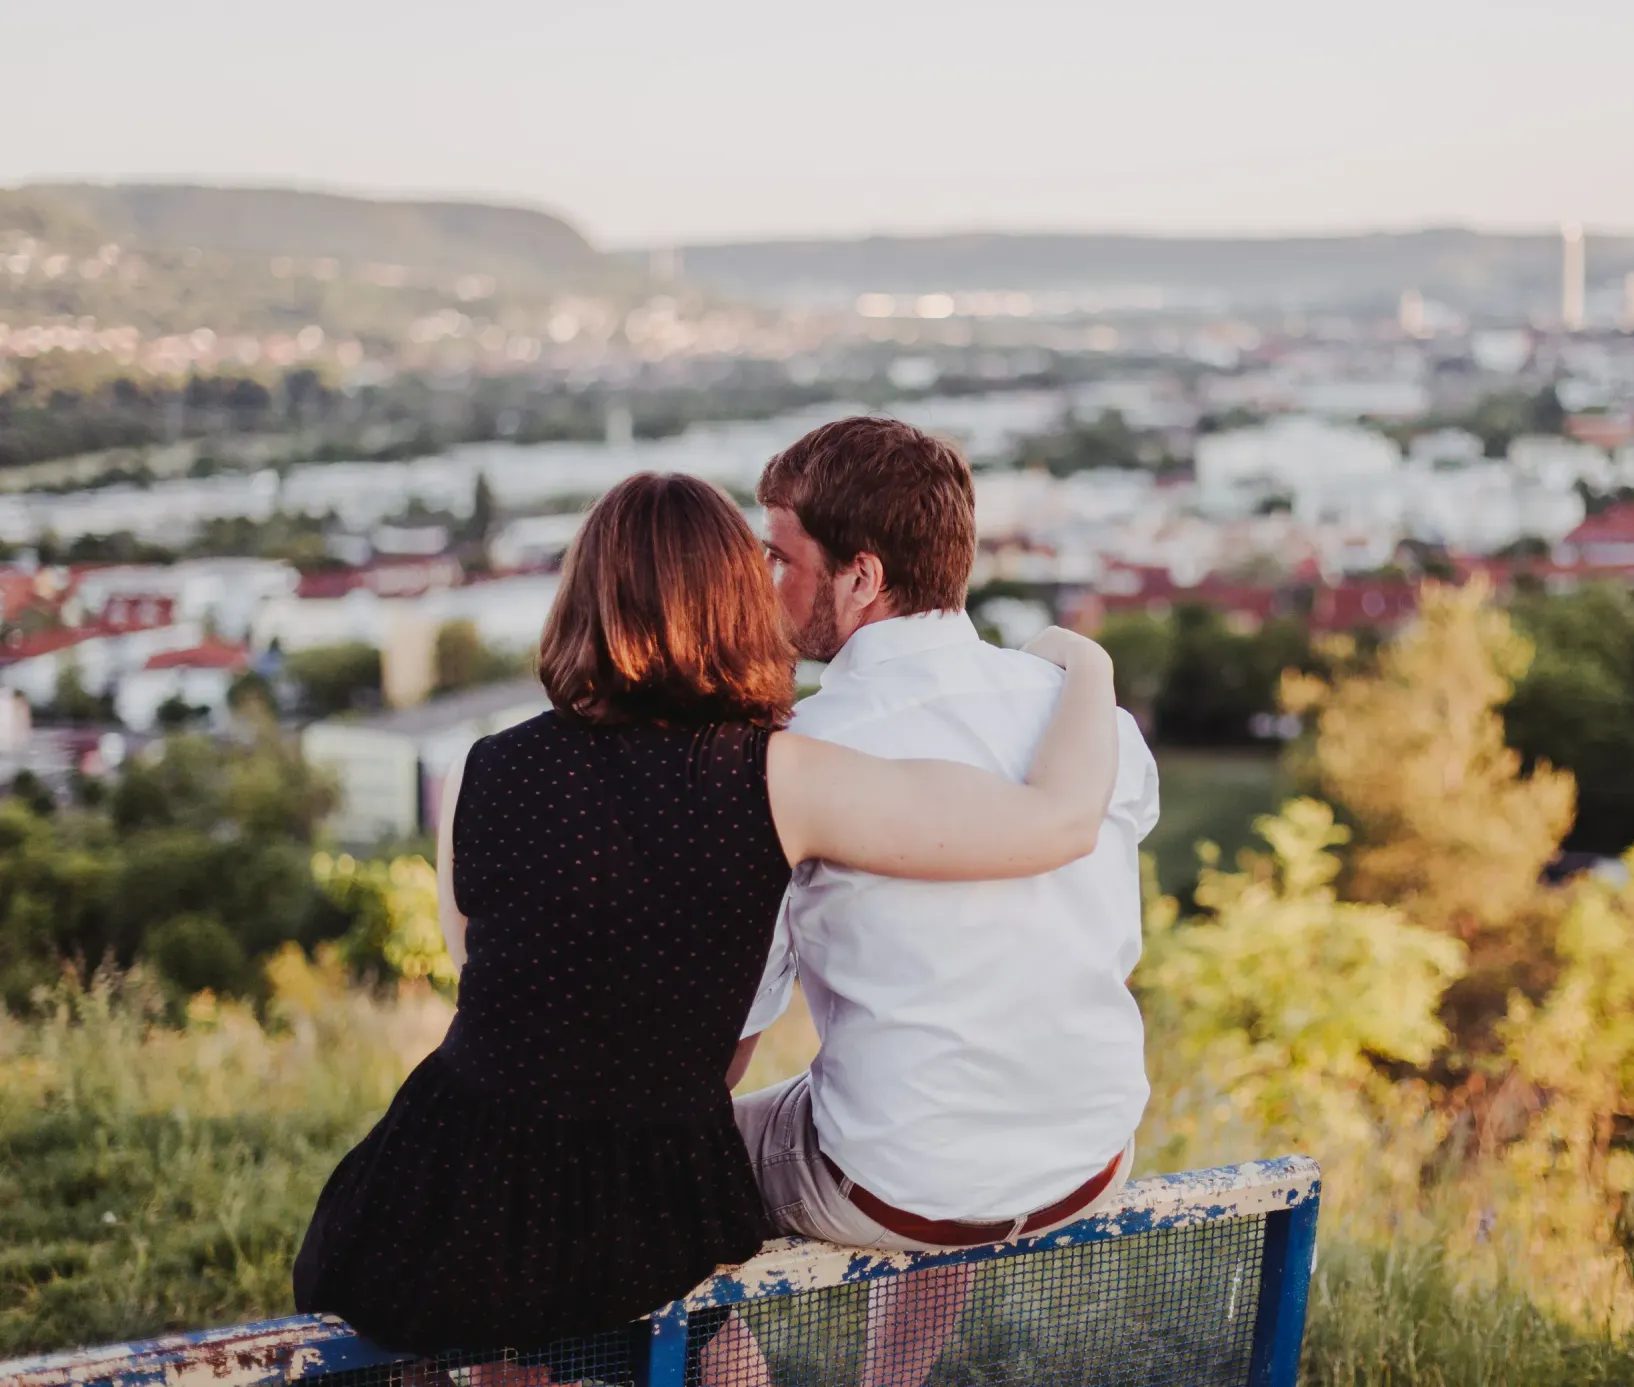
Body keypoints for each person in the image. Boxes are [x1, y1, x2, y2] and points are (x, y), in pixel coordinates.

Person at [291, 471, 1120, 1356]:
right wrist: (1090, 663)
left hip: (454, 1174)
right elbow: (1059, 821)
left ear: (584, 599)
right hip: (652, 1183)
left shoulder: (480, 768)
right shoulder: (778, 774)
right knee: (695, 1336)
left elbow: (486, 982)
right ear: (734, 601)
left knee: (487, 1324)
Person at [730, 418, 1158, 1387]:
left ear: (861, 577)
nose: (767, 581)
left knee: (662, 1167)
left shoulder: (801, 758)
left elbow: (744, 1014)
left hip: (903, 1186)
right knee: (928, 1100)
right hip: (1088, 1153)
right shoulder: (1090, 724)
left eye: (779, 556)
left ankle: (730, 1378)